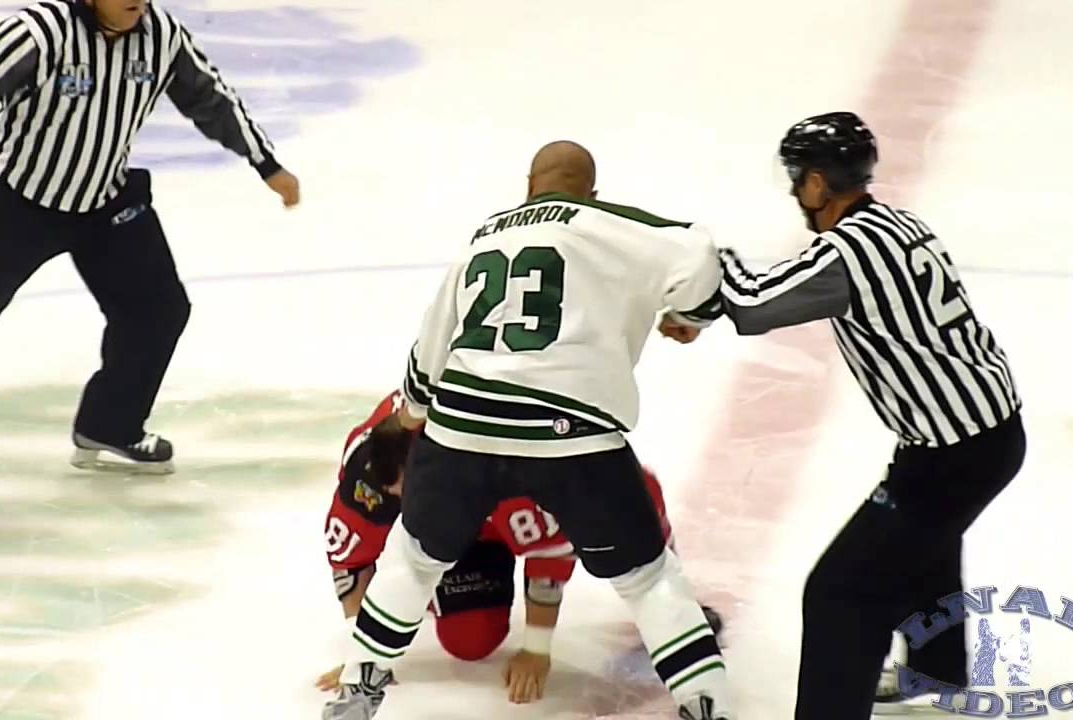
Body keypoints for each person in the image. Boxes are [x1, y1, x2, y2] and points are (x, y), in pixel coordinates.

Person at [322, 141, 733, 720]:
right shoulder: (605, 222)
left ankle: (358, 690)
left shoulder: (485, 236)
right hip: (573, 430)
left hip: (463, 425)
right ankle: (706, 704)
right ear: (592, 193)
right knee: (648, 577)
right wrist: (688, 316)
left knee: (413, 562)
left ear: (527, 186)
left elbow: (429, 350)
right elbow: (699, 252)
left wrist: (412, 412)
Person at [660, 111, 1026, 718]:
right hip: (984, 429)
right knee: (924, 545)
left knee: (840, 591)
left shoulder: (847, 253)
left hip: (952, 452)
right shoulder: (899, 224)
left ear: (820, 183)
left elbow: (753, 304)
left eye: (798, 175)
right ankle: (940, 671)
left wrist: (703, 258)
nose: (793, 187)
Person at [0, 0, 300, 474]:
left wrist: (266, 164)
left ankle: (110, 424)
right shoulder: (40, 32)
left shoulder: (162, 37)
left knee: (158, 310)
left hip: (103, 203)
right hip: (7, 201)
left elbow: (212, 99)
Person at [316, 391, 711, 705]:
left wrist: (537, 648)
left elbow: (550, 551)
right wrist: (364, 652)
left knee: (629, 501)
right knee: (470, 640)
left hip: (504, 474)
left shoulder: (511, 469)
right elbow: (351, 554)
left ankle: (668, 587)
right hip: (466, 508)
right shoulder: (372, 464)